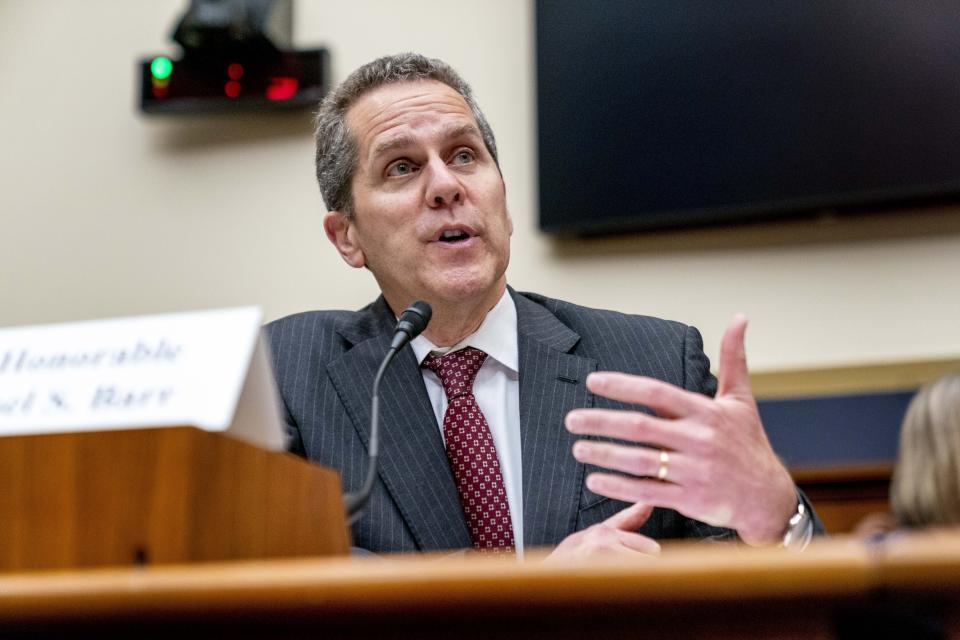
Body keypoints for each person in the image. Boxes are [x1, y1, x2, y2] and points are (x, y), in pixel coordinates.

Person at [266, 52, 822, 558]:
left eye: (464, 155)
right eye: (402, 167)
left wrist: (777, 516)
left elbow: (776, 590)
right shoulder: (288, 372)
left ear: (502, 197)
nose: (446, 186)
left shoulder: (652, 362)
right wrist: (535, 596)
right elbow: (276, 575)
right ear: (347, 237)